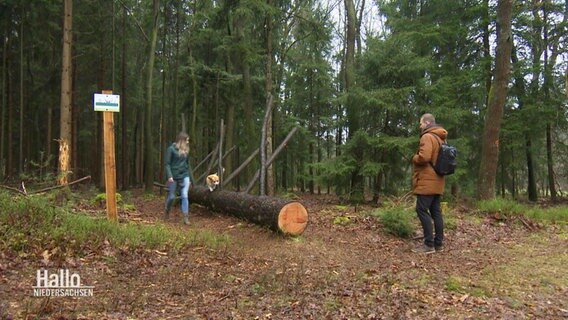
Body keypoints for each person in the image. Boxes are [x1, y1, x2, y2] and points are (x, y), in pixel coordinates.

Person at [411, 113, 447, 253]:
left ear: (426, 123)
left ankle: (428, 245)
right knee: (436, 212)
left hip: (427, 180)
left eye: (421, 123)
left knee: (421, 209)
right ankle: (438, 244)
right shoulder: (440, 138)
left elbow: (424, 157)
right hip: (438, 180)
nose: (420, 126)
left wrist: (414, 157)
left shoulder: (427, 136)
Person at [164, 132, 194, 225]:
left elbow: (188, 165)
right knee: (172, 197)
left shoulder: (186, 151)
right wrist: (169, 176)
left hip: (184, 175)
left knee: (184, 195)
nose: (188, 142)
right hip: (173, 176)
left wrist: (190, 180)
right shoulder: (171, 149)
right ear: (182, 141)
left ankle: (185, 217)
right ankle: (167, 210)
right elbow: (167, 164)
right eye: (187, 141)